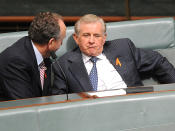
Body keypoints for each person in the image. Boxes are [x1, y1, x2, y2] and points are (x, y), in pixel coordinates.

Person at [52, 14, 175, 95]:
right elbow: (59, 100)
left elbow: (158, 61)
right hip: (95, 115)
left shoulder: (123, 48)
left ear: (104, 38)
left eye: (97, 35)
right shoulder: (63, 66)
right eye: (86, 35)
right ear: (76, 38)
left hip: (135, 107)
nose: (91, 41)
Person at [0, 12, 66, 100]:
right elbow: (24, 105)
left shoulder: (45, 56)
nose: (61, 44)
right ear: (51, 42)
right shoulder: (15, 62)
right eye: (61, 40)